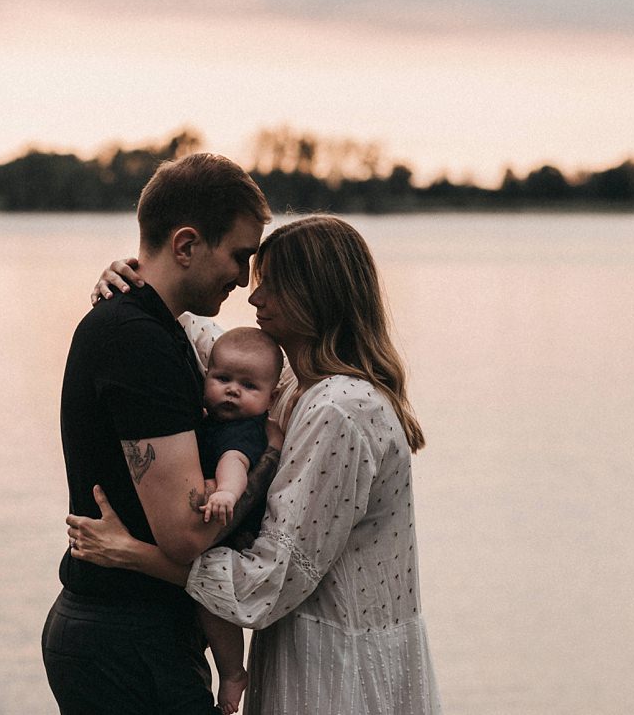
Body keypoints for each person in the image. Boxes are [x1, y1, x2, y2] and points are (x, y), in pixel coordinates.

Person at [69, 215, 443, 714]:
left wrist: (136, 554)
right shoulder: (296, 386)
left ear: (315, 295)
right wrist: (131, 279)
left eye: (271, 285)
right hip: (318, 658)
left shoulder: (341, 408)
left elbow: (269, 581)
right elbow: (207, 336)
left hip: (337, 676)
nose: (252, 296)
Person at [42, 152, 281, 715]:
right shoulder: (138, 341)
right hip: (125, 640)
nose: (244, 279)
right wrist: (266, 458)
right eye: (239, 255)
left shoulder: (155, 329)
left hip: (131, 634)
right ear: (187, 245)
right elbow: (187, 536)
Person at [193, 326, 285, 714]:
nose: (232, 390)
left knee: (211, 604)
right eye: (223, 379)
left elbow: (236, 463)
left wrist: (226, 493)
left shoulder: (243, 431)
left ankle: (232, 671)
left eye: (249, 386)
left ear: (270, 398)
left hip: (236, 531)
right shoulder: (213, 420)